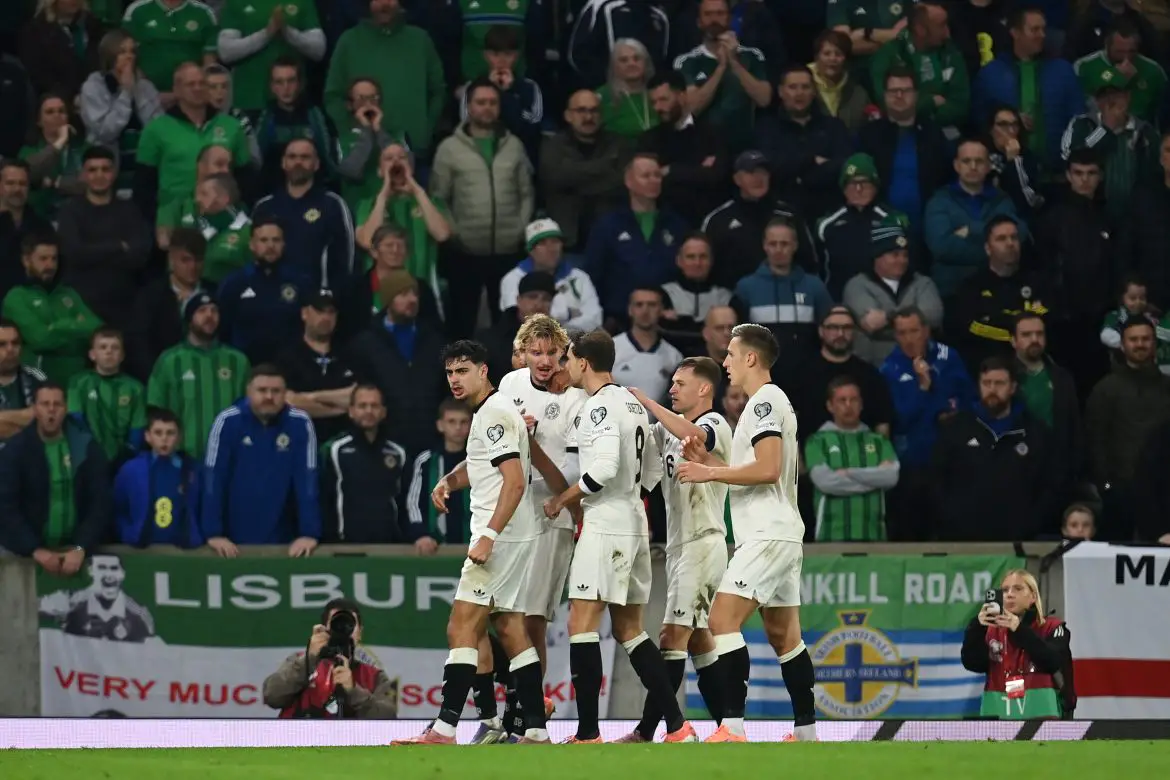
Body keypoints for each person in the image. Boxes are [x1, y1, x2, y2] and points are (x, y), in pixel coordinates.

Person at [392, 340, 565, 745]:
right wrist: (450, 479)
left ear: (483, 371)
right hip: (516, 535)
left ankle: (444, 728)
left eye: (463, 370)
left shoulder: (493, 414)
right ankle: (536, 730)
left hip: (500, 537)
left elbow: (516, 481)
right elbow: (488, 463)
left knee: (461, 625)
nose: (455, 379)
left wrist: (488, 536)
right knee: (509, 627)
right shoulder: (495, 411)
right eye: (450, 372)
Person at [542, 329, 697, 744]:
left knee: (582, 623)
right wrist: (631, 499)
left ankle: (588, 732)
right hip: (632, 520)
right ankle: (678, 726)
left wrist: (563, 500)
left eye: (568, 359)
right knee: (630, 629)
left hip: (606, 522)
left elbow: (604, 468)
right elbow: (648, 471)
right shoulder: (632, 401)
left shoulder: (599, 408)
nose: (564, 366)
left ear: (584, 363)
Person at [674, 323, 816, 743]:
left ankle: (732, 727)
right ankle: (806, 732)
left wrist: (708, 470)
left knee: (721, 619)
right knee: (784, 634)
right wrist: (708, 462)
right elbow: (752, 469)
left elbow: (768, 468)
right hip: (781, 532)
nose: (725, 363)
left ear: (751, 358)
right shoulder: (769, 403)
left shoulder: (764, 403)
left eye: (731, 355)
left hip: (768, 534)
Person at [466, 315, 584, 742]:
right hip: (506, 514)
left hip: (551, 517)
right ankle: (514, 710)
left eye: (553, 353)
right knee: (494, 616)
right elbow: (489, 449)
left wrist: (528, 443)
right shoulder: (510, 388)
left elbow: (566, 483)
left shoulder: (576, 402)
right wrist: (453, 478)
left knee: (531, 620)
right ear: (521, 353)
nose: (545, 360)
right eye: (536, 352)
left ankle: (526, 716)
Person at [619, 357, 732, 741]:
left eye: (680, 383)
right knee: (699, 639)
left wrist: (649, 404)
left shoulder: (715, 423)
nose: (671, 389)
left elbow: (698, 439)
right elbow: (643, 478)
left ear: (704, 389)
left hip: (704, 540)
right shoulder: (666, 433)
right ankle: (729, 730)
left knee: (671, 636)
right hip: (679, 545)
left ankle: (651, 730)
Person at [431, 78, 534, 338]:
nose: (487, 108)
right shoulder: (449, 149)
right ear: (469, 106)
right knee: (461, 325)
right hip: (464, 252)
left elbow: (527, 193)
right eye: (480, 102)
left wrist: (519, 229)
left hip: (508, 250)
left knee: (509, 326)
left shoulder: (515, 146)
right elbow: (439, 198)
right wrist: (456, 234)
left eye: (492, 102)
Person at [931, 355, 1062, 541]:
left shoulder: (1035, 432)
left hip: (1017, 540)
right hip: (963, 539)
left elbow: (1049, 485)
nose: (992, 389)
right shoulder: (956, 428)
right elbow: (938, 480)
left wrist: (1029, 523)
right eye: (987, 383)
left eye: (999, 383)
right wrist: (952, 519)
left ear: (1013, 387)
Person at [202, 364, 320, 556]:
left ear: (285, 393)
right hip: (232, 541)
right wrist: (213, 532)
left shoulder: (300, 423)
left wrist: (309, 532)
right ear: (248, 391)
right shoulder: (227, 421)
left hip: (286, 539)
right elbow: (213, 479)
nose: (269, 397)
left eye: (276, 391)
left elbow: (307, 480)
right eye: (262, 390)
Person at [880, 306, 974, 540]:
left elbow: (968, 400)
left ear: (926, 330)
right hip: (913, 462)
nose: (909, 339)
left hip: (954, 459)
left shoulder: (948, 357)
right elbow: (900, 418)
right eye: (902, 333)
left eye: (914, 331)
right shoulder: (888, 369)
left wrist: (942, 405)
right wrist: (923, 388)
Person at [0, 382, 110, 574]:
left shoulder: (86, 447)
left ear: (66, 408)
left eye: (57, 404)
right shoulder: (15, 451)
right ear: (34, 408)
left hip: (76, 555)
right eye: (45, 404)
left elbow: (100, 502)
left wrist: (80, 547)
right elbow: (6, 506)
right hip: (25, 555)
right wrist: (33, 548)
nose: (51, 410)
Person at [323, 0, 446, 165]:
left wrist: (424, 132)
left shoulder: (420, 40)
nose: (384, 4)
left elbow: (438, 91)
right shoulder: (349, 41)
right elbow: (333, 96)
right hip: (364, 161)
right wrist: (351, 134)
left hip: (413, 156)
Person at [345, 270, 447, 458]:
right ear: (388, 300)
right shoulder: (366, 343)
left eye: (414, 294)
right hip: (385, 444)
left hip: (429, 442)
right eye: (403, 294)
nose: (412, 299)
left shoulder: (434, 340)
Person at [1085, 317, 1170, 541]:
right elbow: (1095, 443)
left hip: (1163, 499)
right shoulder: (1105, 389)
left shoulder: (1168, 388)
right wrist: (1107, 487)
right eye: (1134, 339)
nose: (1140, 344)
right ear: (1122, 345)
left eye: (1145, 339)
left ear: (1155, 344)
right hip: (1120, 495)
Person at [134, 62, 252, 222]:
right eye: (190, 84)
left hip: (222, 219)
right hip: (174, 220)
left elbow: (245, 178)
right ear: (176, 90)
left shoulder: (231, 126)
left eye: (202, 83)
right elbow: (144, 184)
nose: (197, 88)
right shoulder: (156, 129)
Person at [584, 153, 689, 331]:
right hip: (618, 320)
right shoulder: (608, 225)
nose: (653, 180)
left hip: (667, 320)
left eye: (657, 175)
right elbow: (594, 273)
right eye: (646, 176)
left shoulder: (676, 224)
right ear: (629, 181)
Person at [972, 7, 1084, 171]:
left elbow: (1078, 118)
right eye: (1034, 30)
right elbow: (978, 120)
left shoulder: (1063, 70)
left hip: (1058, 173)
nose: (1042, 35)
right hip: (1008, 172)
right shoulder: (990, 74)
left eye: (1043, 29)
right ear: (1015, 32)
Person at [146, 291, 250, 461]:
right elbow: (156, 409)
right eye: (202, 311)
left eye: (214, 311)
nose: (209, 316)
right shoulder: (170, 360)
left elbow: (249, 409)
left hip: (229, 457)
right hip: (182, 458)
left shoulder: (238, 361)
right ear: (189, 318)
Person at [56, 147, 151, 332]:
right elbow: (74, 253)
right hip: (82, 305)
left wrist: (92, 251)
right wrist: (118, 246)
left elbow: (140, 254)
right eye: (92, 170)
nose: (99, 175)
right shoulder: (70, 211)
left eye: (105, 169)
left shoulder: (129, 210)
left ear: (114, 173)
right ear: (82, 174)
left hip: (124, 304)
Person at [923, 137, 1028, 299]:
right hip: (952, 289)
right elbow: (942, 247)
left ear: (988, 166)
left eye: (979, 161)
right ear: (956, 166)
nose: (973, 167)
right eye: (966, 161)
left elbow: (1020, 233)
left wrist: (970, 229)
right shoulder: (939, 201)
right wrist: (995, 248)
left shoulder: (1002, 199)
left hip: (999, 287)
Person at [948, 215, 1051, 375]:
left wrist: (1002, 320)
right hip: (989, 369)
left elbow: (1047, 317)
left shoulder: (1037, 281)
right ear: (988, 248)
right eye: (1001, 239)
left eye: (1014, 238)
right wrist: (1019, 328)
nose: (1010, 243)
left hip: (1034, 365)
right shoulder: (972, 286)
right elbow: (973, 328)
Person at [960, 569, 1071, 719]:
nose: (1010, 594)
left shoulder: (1052, 627)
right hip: (997, 715)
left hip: (1040, 717)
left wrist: (1018, 629)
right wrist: (977, 627)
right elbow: (973, 663)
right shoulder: (990, 631)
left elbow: (1053, 661)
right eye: (1005, 590)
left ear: (1033, 596)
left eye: (1018, 589)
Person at [263, 597, 398, 718]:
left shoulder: (374, 676)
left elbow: (389, 717)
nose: (344, 629)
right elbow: (272, 696)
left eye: (350, 624)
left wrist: (353, 690)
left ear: (360, 633)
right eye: (336, 623)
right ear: (323, 629)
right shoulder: (300, 662)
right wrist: (308, 660)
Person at [701, 150, 819, 287]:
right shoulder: (718, 220)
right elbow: (706, 267)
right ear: (737, 179)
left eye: (763, 172)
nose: (758, 178)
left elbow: (809, 262)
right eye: (751, 173)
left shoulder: (789, 215)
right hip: (733, 300)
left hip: (786, 297)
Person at [539, 89, 632, 263]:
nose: (588, 117)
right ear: (568, 115)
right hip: (567, 243)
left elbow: (623, 183)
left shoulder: (619, 144)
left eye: (594, 110)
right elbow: (556, 179)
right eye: (581, 110)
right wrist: (605, 167)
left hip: (611, 242)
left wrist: (575, 178)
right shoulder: (554, 145)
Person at [251, 138, 356, 292]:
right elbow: (253, 255)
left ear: (316, 164)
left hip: (317, 302)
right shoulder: (264, 206)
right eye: (292, 157)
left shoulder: (333, 205)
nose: (298, 162)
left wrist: (331, 298)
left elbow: (347, 258)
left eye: (305, 157)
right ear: (283, 163)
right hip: (272, 299)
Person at [1061, 64, 1159, 225]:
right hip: (1089, 214)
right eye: (1104, 95)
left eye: (1116, 94)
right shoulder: (1082, 124)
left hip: (1135, 218)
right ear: (1097, 101)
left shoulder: (1145, 132)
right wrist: (1106, 129)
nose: (1110, 101)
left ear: (1127, 97)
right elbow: (1071, 159)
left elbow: (1155, 173)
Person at [805, 376, 900, 541]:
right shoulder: (817, 441)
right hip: (831, 538)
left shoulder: (878, 441)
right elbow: (826, 482)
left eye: (853, 400)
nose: (848, 406)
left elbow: (890, 477)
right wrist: (873, 481)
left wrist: (848, 472)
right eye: (842, 400)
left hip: (873, 537)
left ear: (861, 404)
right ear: (830, 405)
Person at [733, 217, 833, 374]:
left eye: (784, 244)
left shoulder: (814, 286)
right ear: (765, 246)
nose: (779, 249)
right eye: (773, 244)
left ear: (795, 246)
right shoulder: (746, 287)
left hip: (806, 374)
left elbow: (828, 329)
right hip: (761, 375)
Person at [857, 66, 951, 231]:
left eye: (905, 91)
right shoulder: (868, 136)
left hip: (927, 228)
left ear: (916, 95)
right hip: (879, 230)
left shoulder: (933, 134)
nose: (899, 96)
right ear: (885, 95)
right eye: (894, 91)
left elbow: (946, 181)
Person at [3, 232, 102, 387]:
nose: (50, 265)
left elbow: (97, 329)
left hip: (78, 380)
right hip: (38, 381)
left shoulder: (68, 293)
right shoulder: (17, 297)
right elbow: (40, 339)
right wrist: (77, 325)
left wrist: (56, 327)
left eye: (53, 259)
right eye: (43, 259)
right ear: (26, 261)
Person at [673, 0, 772, 154]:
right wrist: (721, 68)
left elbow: (764, 99)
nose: (714, 19)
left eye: (720, 13)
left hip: (744, 146)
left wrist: (734, 62)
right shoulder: (686, 61)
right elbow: (691, 108)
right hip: (702, 149)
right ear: (699, 22)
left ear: (730, 19)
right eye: (708, 14)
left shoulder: (752, 55)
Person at [843, 224, 944, 367]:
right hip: (875, 366)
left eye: (905, 255)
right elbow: (871, 324)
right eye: (895, 255)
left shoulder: (923, 283)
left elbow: (933, 316)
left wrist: (888, 317)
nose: (902, 261)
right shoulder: (857, 285)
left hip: (920, 364)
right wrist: (915, 321)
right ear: (877, 256)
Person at [78, 29, 164, 197]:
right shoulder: (93, 87)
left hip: (143, 170)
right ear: (109, 55)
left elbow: (158, 129)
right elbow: (105, 132)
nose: (129, 57)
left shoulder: (145, 87)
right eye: (122, 52)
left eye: (132, 51)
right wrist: (126, 93)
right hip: (108, 171)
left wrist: (136, 89)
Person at [817, 152, 912, 302]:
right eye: (852, 183)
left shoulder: (893, 220)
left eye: (865, 183)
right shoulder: (826, 224)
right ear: (843, 188)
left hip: (881, 306)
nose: (859, 189)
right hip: (837, 306)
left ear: (875, 185)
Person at [217, 215, 311, 364]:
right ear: (252, 245)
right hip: (246, 365)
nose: (270, 246)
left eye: (276, 240)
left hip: (291, 366)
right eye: (264, 240)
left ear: (284, 244)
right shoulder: (235, 283)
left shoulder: (300, 282)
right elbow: (222, 328)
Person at [320, 384, 407, 543]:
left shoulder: (398, 452)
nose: (368, 411)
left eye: (374, 406)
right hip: (345, 545)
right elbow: (324, 500)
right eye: (362, 406)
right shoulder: (334, 450)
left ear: (383, 412)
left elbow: (404, 502)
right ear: (351, 411)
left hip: (390, 545)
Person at [789, 306, 893, 439]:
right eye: (833, 327)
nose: (840, 334)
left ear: (855, 332)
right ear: (821, 331)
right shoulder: (799, 374)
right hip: (812, 456)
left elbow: (882, 424)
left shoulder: (870, 375)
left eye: (847, 328)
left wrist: (881, 457)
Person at [639, 71, 729, 226]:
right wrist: (698, 170)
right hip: (666, 220)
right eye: (653, 102)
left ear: (681, 96)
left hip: (709, 217)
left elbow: (716, 176)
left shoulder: (712, 133)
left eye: (663, 99)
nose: (658, 107)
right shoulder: (649, 139)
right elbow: (649, 182)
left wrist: (671, 170)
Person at [870, 2, 969, 137]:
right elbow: (886, 104)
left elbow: (960, 106)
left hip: (943, 132)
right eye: (941, 25)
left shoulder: (951, 53)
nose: (947, 32)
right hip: (896, 131)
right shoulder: (889, 54)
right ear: (920, 29)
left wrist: (915, 111)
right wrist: (931, 102)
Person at [126, 228, 210, 382]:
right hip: (164, 380)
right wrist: (157, 379)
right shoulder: (150, 296)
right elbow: (139, 344)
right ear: (171, 259)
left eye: (197, 260)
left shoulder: (213, 293)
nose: (192, 267)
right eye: (185, 260)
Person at [112, 406, 202, 548]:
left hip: (183, 551)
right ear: (148, 436)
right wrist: (128, 533)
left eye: (170, 433)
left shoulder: (193, 470)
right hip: (143, 551)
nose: (164, 439)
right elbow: (117, 507)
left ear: (179, 437)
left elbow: (203, 508)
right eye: (158, 433)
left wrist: (196, 535)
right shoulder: (131, 470)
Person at [275, 290, 356, 445]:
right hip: (297, 441)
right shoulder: (287, 356)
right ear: (304, 313)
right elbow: (289, 402)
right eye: (319, 311)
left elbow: (357, 396)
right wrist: (342, 408)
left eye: (331, 312)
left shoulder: (350, 354)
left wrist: (311, 397)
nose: (326, 318)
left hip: (344, 444)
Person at [456, 25, 544, 168]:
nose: (502, 61)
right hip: (478, 162)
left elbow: (531, 129)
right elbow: (468, 125)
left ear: (516, 56)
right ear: (486, 55)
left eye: (508, 54)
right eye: (495, 54)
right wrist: (492, 89)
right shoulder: (472, 88)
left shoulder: (530, 87)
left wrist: (506, 94)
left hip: (520, 163)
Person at [216, 0, 326, 113]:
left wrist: (287, 32)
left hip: (293, 105)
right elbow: (226, 52)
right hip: (249, 102)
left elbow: (318, 50)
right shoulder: (237, 2)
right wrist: (267, 34)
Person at [499, 219, 602, 333]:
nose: (551, 248)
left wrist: (557, 328)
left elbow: (595, 320)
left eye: (555, 241)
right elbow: (522, 319)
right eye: (542, 243)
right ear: (531, 251)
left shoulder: (580, 277)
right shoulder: (513, 278)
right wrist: (568, 314)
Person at [254, 57, 339, 193]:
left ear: (300, 84)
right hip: (273, 194)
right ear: (272, 87)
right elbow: (256, 163)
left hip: (313, 193)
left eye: (291, 81)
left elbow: (329, 162)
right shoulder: (265, 117)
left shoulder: (315, 115)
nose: (285, 88)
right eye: (279, 82)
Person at [67, 327, 146, 465]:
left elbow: (137, 428)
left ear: (122, 356)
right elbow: (76, 421)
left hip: (124, 459)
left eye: (115, 348)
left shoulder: (135, 388)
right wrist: (91, 451)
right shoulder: (78, 383)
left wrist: (127, 454)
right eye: (103, 347)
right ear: (92, 354)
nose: (109, 352)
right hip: (87, 457)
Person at [406, 398, 473, 551]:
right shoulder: (426, 461)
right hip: (434, 546)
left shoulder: (482, 460)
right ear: (440, 425)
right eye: (451, 421)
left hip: (474, 546)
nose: (458, 427)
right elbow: (413, 503)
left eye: (463, 422)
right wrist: (420, 534)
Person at [1073, 19, 1167, 125]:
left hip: (1141, 133)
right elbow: (1085, 104)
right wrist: (1117, 77)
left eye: (1131, 51)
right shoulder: (1085, 67)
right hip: (1099, 130)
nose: (1126, 58)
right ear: (1107, 46)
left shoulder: (1153, 70)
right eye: (1120, 51)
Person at [658, 233, 734, 356]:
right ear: (679, 261)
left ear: (711, 260)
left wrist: (681, 321)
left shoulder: (726, 298)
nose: (697, 263)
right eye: (691, 257)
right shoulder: (664, 294)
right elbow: (663, 333)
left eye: (703, 257)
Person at [121, 0, 218, 93]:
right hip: (144, 94)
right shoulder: (137, 10)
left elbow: (209, 63)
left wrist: (193, 92)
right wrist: (147, 92)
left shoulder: (204, 13)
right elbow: (128, 57)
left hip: (193, 93)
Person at [19, 92, 87, 221]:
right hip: (39, 218)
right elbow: (28, 174)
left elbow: (87, 184)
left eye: (61, 111)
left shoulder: (82, 148)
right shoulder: (28, 150)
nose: (57, 115)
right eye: (50, 112)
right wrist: (59, 142)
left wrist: (54, 183)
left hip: (78, 217)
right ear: (39, 121)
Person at [613, 287, 685, 405]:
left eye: (652, 305)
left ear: (661, 310)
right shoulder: (611, 348)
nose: (645, 311)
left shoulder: (674, 356)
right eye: (639, 305)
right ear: (630, 310)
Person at [0, 159, 52, 302]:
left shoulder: (41, 225)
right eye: (10, 183)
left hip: (33, 305)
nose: (17, 189)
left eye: (22, 184)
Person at [808, 29, 873, 133]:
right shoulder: (802, 84)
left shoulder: (858, 93)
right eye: (827, 53)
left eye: (838, 54)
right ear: (816, 57)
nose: (833, 59)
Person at [598, 39, 660, 139]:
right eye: (623, 60)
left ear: (646, 63)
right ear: (614, 66)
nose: (631, 64)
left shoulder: (658, 93)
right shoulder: (602, 96)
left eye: (637, 58)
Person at [0, 320, 46, 441]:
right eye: (2, 344)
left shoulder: (36, 377)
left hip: (25, 455)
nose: (10, 349)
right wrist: (23, 415)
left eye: (15, 343)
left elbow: (46, 418)